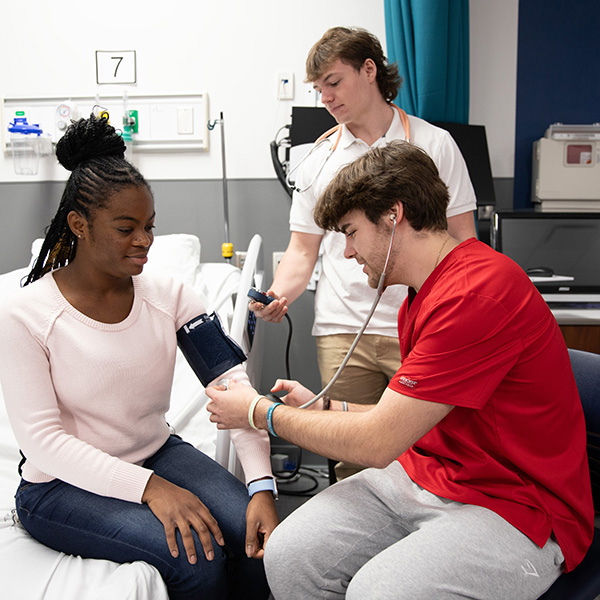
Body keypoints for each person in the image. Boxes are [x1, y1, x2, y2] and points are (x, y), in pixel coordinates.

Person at [206, 141, 594, 599]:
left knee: (381, 592)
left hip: (517, 506)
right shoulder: (421, 292)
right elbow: (408, 418)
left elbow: (377, 443)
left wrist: (257, 413)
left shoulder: (476, 294)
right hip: (434, 473)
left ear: (393, 215)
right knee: (291, 552)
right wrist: (328, 405)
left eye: (350, 232)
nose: (347, 253)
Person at [0, 115, 278, 600]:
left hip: (157, 451)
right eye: (126, 228)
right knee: (197, 558)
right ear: (78, 224)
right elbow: (43, 443)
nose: (145, 241)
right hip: (58, 486)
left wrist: (261, 486)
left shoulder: (169, 295)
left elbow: (232, 384)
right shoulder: (26, 315)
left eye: (149, 226)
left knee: (261, 542)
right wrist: (152, 489)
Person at [253, 27, 477, 478]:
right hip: (343, 328)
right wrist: (278, 294)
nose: (326, 98)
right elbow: (303, 249)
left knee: (426, 456)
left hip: (419, 327)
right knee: (351, 459)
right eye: (319, 90)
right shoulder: (316, 159)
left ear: (369, 70)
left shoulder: (433, 146)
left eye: (333, 82)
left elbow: (463, 242)